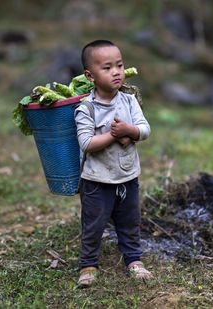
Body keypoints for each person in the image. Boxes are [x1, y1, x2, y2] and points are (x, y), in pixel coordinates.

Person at [74, 39, 152, 287]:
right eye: (107, 68)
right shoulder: (86, 108)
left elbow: (145, 129)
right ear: (90, 75)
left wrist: (130, 130)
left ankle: (134, 259)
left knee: (130, 221)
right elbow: (86, 143)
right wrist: (114, 135)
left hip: (127, 176)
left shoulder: (128, 101)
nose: (116, 72)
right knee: (93, 225)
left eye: (119, 65)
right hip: (96, 180)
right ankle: (88, 264)